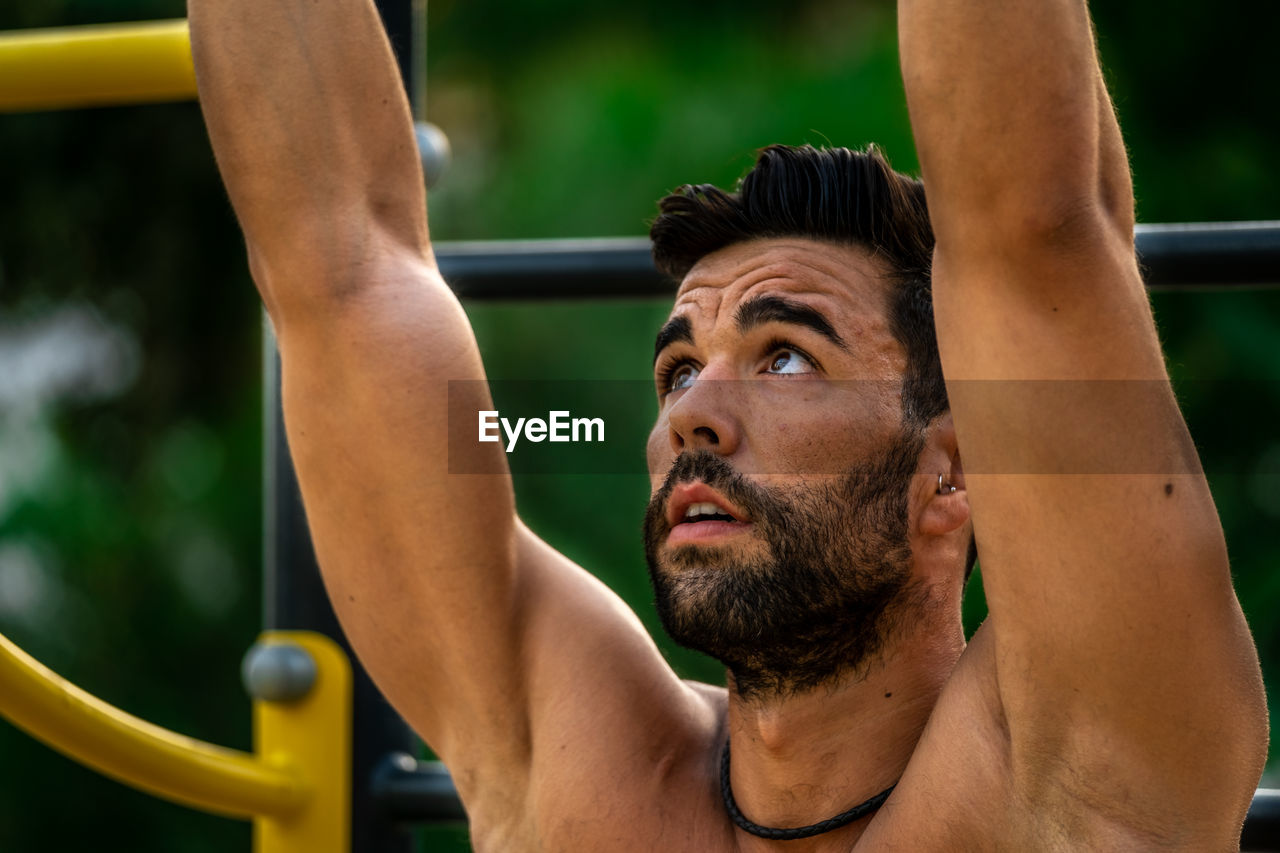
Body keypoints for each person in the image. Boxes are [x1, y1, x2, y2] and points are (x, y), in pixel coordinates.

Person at [189, 0, 1268, 849]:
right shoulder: (574, 768)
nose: (693, 415)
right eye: (673, 372)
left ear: (953, 472)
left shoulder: (1081, 765)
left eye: (784, 357)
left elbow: (1031, 233)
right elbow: (342, 275)